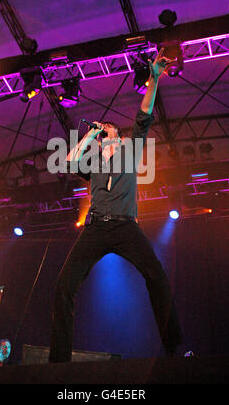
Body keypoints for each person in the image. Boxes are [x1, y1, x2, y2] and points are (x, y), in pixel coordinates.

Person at [49, 48, 182, 362]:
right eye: (102, 131)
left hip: (125, 226)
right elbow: (68, 161)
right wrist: (89, 134)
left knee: (156, 276)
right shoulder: (93, 160)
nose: (104, 131)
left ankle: (174, 349)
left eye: (108, 129)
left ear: (119, 137)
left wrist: (154, 77)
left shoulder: (130, 151)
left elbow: (145, 113)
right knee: (63, 287)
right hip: (95, 227)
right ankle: (59, 362)